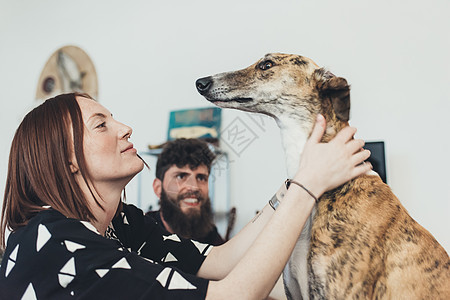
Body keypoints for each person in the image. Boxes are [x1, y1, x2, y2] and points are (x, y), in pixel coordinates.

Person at [0, 93, 371, 299]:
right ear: (67, 161)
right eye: (101, 125)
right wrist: (309, 185)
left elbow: (222, 261)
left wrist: (294, 181)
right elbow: (233, 296)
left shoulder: (121, 225)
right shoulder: (53, 244)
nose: (126, 128)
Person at [147, 138, 225, 246]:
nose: (194, 187)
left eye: (201, 178)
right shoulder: (142, 232)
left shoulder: (211, 236)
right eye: (181, 176)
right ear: (158, 188)